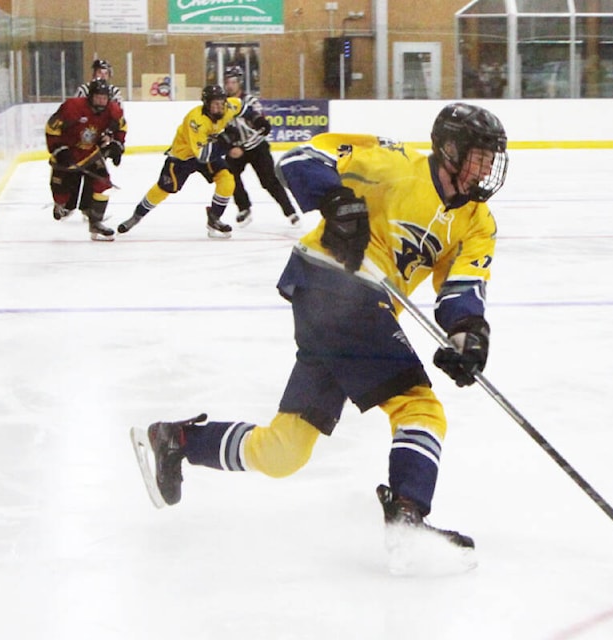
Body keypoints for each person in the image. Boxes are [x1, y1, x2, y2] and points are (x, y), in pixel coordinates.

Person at [130, 103, 509, 566]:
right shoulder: (392, 163)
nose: (487, 167)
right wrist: (336, 200)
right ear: (450, 150)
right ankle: (407, 520)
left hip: (346, 306)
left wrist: (467, 334)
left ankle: (179, 441)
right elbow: (301, 159)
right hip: (333, 282)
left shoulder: (477, 223)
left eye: (492, 158)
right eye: (479, 155)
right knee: (418, 406)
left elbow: (463, 287)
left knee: (284, 451)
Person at [116, 85, 244, 238]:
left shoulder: (229, 106)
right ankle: (136, 216)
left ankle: (214, 219)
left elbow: (244, 107)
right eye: (214, 104)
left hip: (208, 150)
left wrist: (258, 120)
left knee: (227, 180)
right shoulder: (195, 120)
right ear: (206, 103)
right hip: (183, 157)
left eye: (221, 103)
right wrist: (226, 142)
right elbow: (203, 156)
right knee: (163, 189)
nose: (219, 107)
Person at [46, 78, 127, 241]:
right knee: (62, 194)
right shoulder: (72, 107)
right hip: (68, 151)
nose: (101, 101)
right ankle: (60, 203)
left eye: (104, 98)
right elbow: (51, 128)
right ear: (90, 97)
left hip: (90, 154)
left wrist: (118, 145)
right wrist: (59, 150)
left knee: (103, 184)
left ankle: (96, 223)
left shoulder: (113, 110)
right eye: (98, 97)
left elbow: (121, 127)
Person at [221, 66, 300, 226]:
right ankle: (244, 208)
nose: (230, 86)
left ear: (239, 83)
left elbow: (261, 127)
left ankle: (290, 212)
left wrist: (243, 147)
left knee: (269, 181)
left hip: (257, 147)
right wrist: (230, 146)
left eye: (233, 82)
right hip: (236, 149)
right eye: (227, 82)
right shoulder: (222, 104)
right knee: (229, 176)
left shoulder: (250, 102)